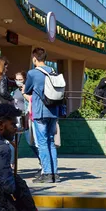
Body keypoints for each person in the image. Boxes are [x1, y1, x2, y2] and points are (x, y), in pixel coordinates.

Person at [24, 47, 60, 183]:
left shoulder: (32, 73)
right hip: (53, 111)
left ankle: (47, 174)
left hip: (40, 112)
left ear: (34, 59)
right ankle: (55, 173)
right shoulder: (53, 71)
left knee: (42, 143)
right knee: (51, 141)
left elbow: (27, 89)